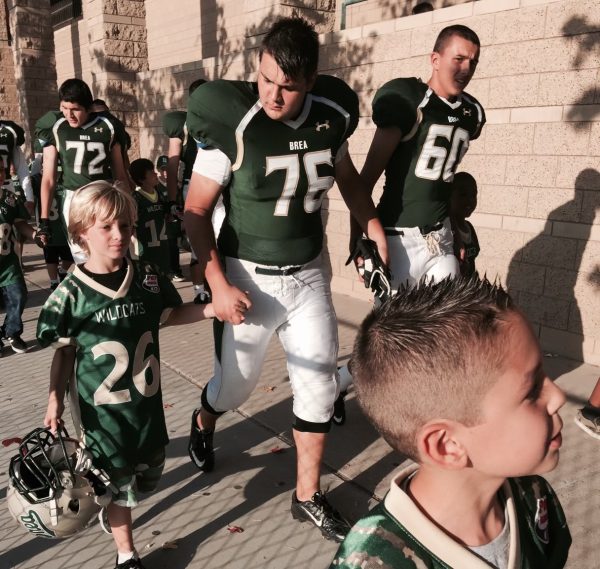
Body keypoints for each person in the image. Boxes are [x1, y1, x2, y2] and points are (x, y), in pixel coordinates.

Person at [183, 16, 388, 543]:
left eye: (289, 86)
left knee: (319, 388)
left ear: (312, 82)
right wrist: (217, 281)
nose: (274, 95)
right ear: (258, 66)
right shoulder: (233, 120)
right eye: (267, 79)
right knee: (233, 389)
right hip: (247, 277)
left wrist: (371, 228)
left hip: (308, 274)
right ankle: (205, 419)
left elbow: (348, 183)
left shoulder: (330, 117)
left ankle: (307, 495)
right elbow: (196, 210)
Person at [330, 276, 572, 568]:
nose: (558, 396)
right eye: (532, 390)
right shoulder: (375, 560)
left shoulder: (534, 498)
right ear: (447, 445)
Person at [37, 181, 214, 569]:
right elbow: (64, 352)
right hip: (102, 415)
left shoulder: (147, 275)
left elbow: (170, 315)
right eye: (106, 228)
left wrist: (215, 309)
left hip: (146, 408)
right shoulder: (70, 294)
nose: (119, 236)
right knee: (121, 489)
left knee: (147, 477)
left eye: (126, 226)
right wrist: (54, 400)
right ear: (81, 233)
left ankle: (113, 509)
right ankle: (126, 554)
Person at [336, 24, 487, 423]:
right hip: (396, 238)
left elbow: (442, 184)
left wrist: (455, 232)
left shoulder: (470, 112)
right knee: (392, 338)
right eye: (458, 58)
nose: (466, 67)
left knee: (448, 326)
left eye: (472, 61)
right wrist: (359, 242)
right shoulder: (409, 102)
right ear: (435, 59)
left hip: (438, 238)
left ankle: (434, 408)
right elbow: (366, 178)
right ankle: (338, 384)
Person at [35, 78, 130, 263]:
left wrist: (128, 208)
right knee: (82, 256)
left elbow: (120, 174)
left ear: (88, 108)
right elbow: (48, 178)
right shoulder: (55, 127)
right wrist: (44, 221)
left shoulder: (108, 126)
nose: (69, 114)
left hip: (104, 197)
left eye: (75, 109)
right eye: (64, 108)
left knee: (113, 254)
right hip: (74, 198)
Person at [162, 79, 213, 303]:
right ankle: (199, 289)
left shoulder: (219, 119)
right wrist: (172, 201)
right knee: (197, 242)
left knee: (219, 239)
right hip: (193, 183)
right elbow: (173, 166)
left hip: (220, 184)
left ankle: (212, 285)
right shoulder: (182, 124)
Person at [0, 159, 41, 355]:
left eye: (1, 170)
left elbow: (20, 224)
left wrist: (35, 234)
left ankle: (12, 332)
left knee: (19, 295)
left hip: (7, 261)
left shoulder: (10, 198)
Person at [129, 158, 171, 275]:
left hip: (163, 250)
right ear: (141, 179)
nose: (156, 173)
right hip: (145, 253)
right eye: (151, 172)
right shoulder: (136, 199)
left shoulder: (161, 194)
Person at [156, 154, 184, 281]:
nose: (166, 173)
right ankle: (170, 271)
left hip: (176, 222)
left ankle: (176, 270)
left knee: (175, 246)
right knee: (167, 247)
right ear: (158, 171)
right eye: (163, 170)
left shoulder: (178, 186)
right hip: (163, 223)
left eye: (168, 169)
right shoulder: (156, 187)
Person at [0, 119, 34, 214]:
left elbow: (22, 168)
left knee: (13, 224)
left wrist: (29, 198)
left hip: (7, 187)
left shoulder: (10, 130)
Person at [450, 171, 479, 277]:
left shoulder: (469, 228)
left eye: (473, 195)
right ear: (449, 196)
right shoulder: (447, 230)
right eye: (463, 195)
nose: (470, 200)